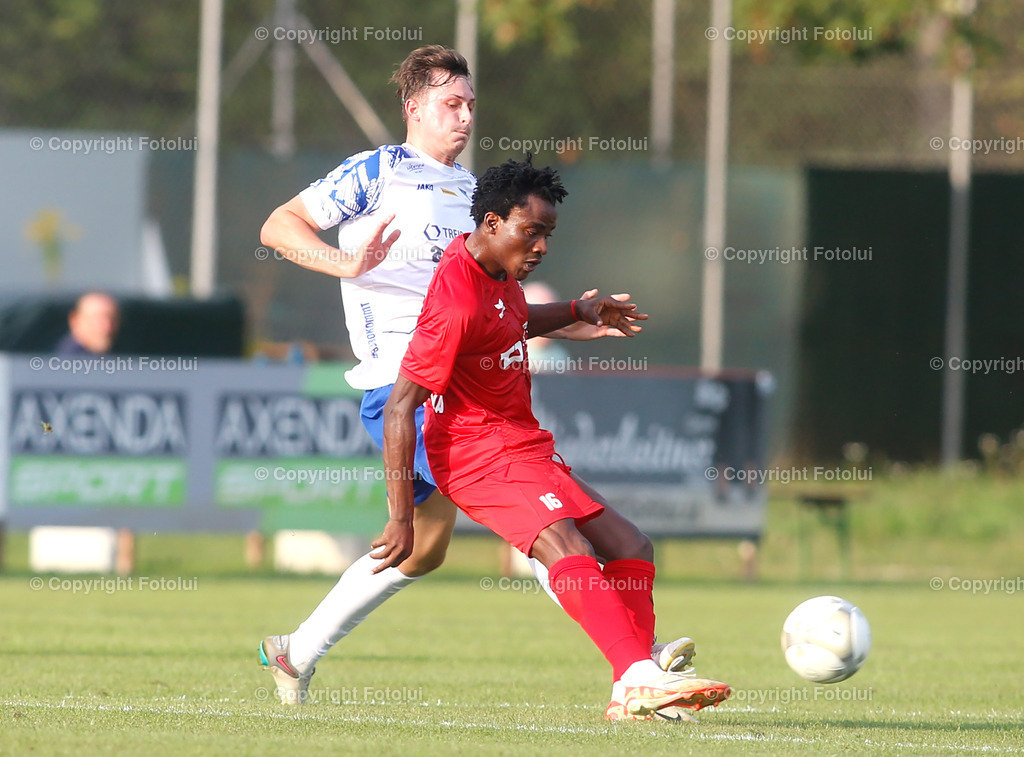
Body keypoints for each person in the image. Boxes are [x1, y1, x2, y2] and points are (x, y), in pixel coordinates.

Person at [257, 46, 694, 709]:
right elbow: (278, 225)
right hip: (407, 389)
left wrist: (564, 316)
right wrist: (343, 263)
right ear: (414, 108)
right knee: (538, 519)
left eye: (469, 104)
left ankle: (297, 650)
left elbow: (488, 308)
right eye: (449, 104)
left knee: (425, 548)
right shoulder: (377, 172)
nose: (464, 116)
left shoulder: (473, 195)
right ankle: (633, 655)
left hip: (468, 388)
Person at [378, 157, 732, 721]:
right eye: (531, 231)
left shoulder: (496, 273)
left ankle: (631, 684)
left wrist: (576, 310)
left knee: (632, 545)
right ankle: (640, 676)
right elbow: (400, 409)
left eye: (548, 233)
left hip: (520, 446)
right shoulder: (456, 301)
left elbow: (511, 319)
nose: (541, 245)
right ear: (492, 223)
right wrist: (401, 516)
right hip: (475, 457)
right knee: (568, 548)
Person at [55, 291, 120, 355]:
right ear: (75, 320)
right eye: (97, 320)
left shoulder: (120, 354)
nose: (107, 327)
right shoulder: (64, 359)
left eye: (113, 319)